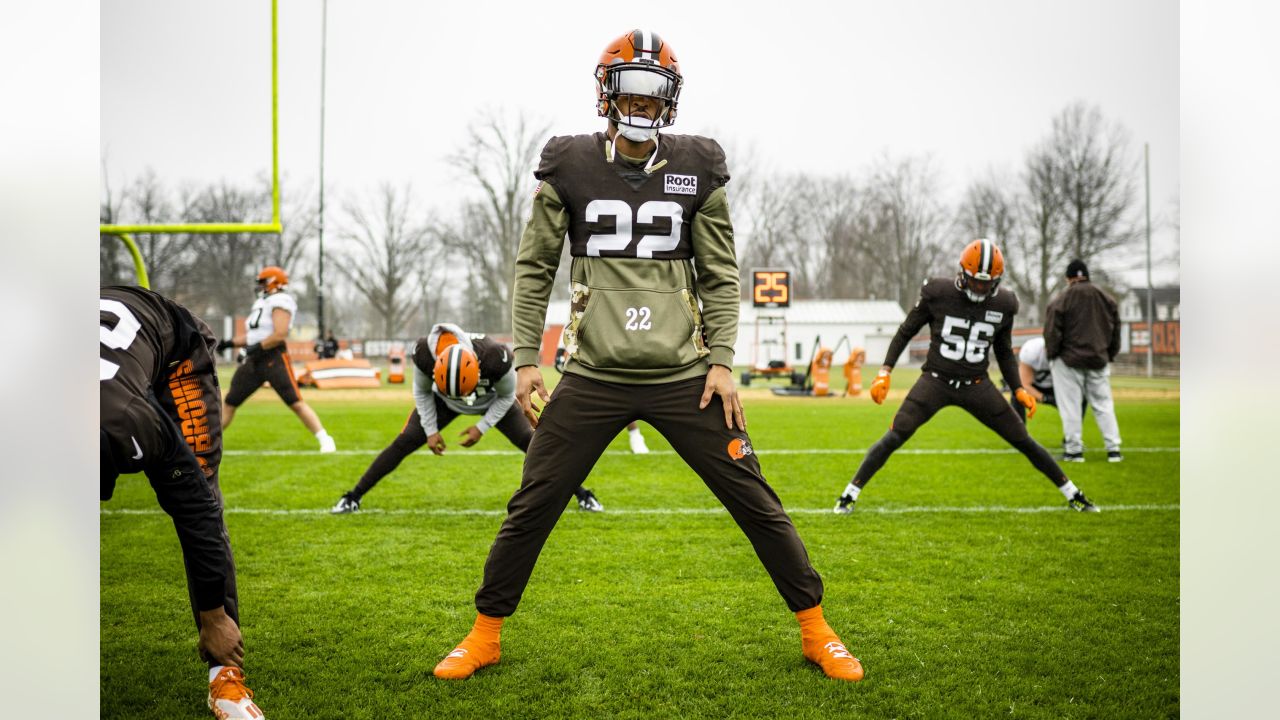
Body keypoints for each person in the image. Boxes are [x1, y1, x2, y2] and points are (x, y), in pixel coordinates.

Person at [432, 30, 863, 683]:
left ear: (671, 100)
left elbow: (720, 275)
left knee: (755, 499)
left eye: (652, 92)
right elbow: (533, 269)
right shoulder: (570, 163)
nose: (640, 103)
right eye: (629, 89)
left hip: (683, 376)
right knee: (535, 502)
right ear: (605, 94)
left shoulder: (698, 165)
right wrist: (526, 358)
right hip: (594, 375)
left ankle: (816, 630)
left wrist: (722, 359)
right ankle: (485, 634)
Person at [832, 238, 1100, 515]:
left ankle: (1073, 494)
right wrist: (885, 370)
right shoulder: (938, 292)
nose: (981, 287)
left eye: (987, 283)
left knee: (1022, 439)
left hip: (977, 385)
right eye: (976, 281)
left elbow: (1004, 351)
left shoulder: (1005, 303)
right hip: (935, 381)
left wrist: (1018, 388)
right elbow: (906, 331)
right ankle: (848, 495)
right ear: (962, 273)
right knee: (895, 434)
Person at [100, 286, 265, 720]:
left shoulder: (135, 425)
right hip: (111, 371)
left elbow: (197, 513)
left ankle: (225, 678)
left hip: (175, 352)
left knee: (203, 489)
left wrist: (213, 617)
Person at [330, 323, 604, 513]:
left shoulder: (496, 357)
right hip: (442, 400)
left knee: (534, 445)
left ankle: (583, 495)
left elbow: (507, 397)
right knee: (404, 441)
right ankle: (352, 497)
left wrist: (482, 427)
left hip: (493, 398)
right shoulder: (425, 353)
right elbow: (423, 393)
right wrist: (430, 430)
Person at [218, 266, 336, 453]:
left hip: (273, 358)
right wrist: (228, 343)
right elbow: (253, 335)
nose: (260, 286)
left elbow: (279, 334)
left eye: (263, 282)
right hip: (253, 360)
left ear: (274, 282)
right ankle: (210, 442)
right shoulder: (262, 302)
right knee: (231, 401)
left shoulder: (281, 300)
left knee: (294, 401)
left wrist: (254, 348)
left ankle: (325, 438)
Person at [1043, 259, 1123, 462]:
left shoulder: (1062, 299)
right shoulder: (1107, 299)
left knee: (1071, 406)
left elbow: (1052, 332)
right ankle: (1114, 450)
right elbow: (1116, 331)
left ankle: (1074, 451)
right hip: (1098, 359)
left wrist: (1052, 355)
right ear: (1087, 276)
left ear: (1068, 278)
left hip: (1069, 361)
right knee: (1104, 405)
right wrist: (1109, 354)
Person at [555, 345, 650, 453]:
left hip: (611, 351)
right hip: (586, 354)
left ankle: (635, 436)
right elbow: (569, 328)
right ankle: (575, 439)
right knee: (575, 397)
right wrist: (561, 349)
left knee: (620, 396)